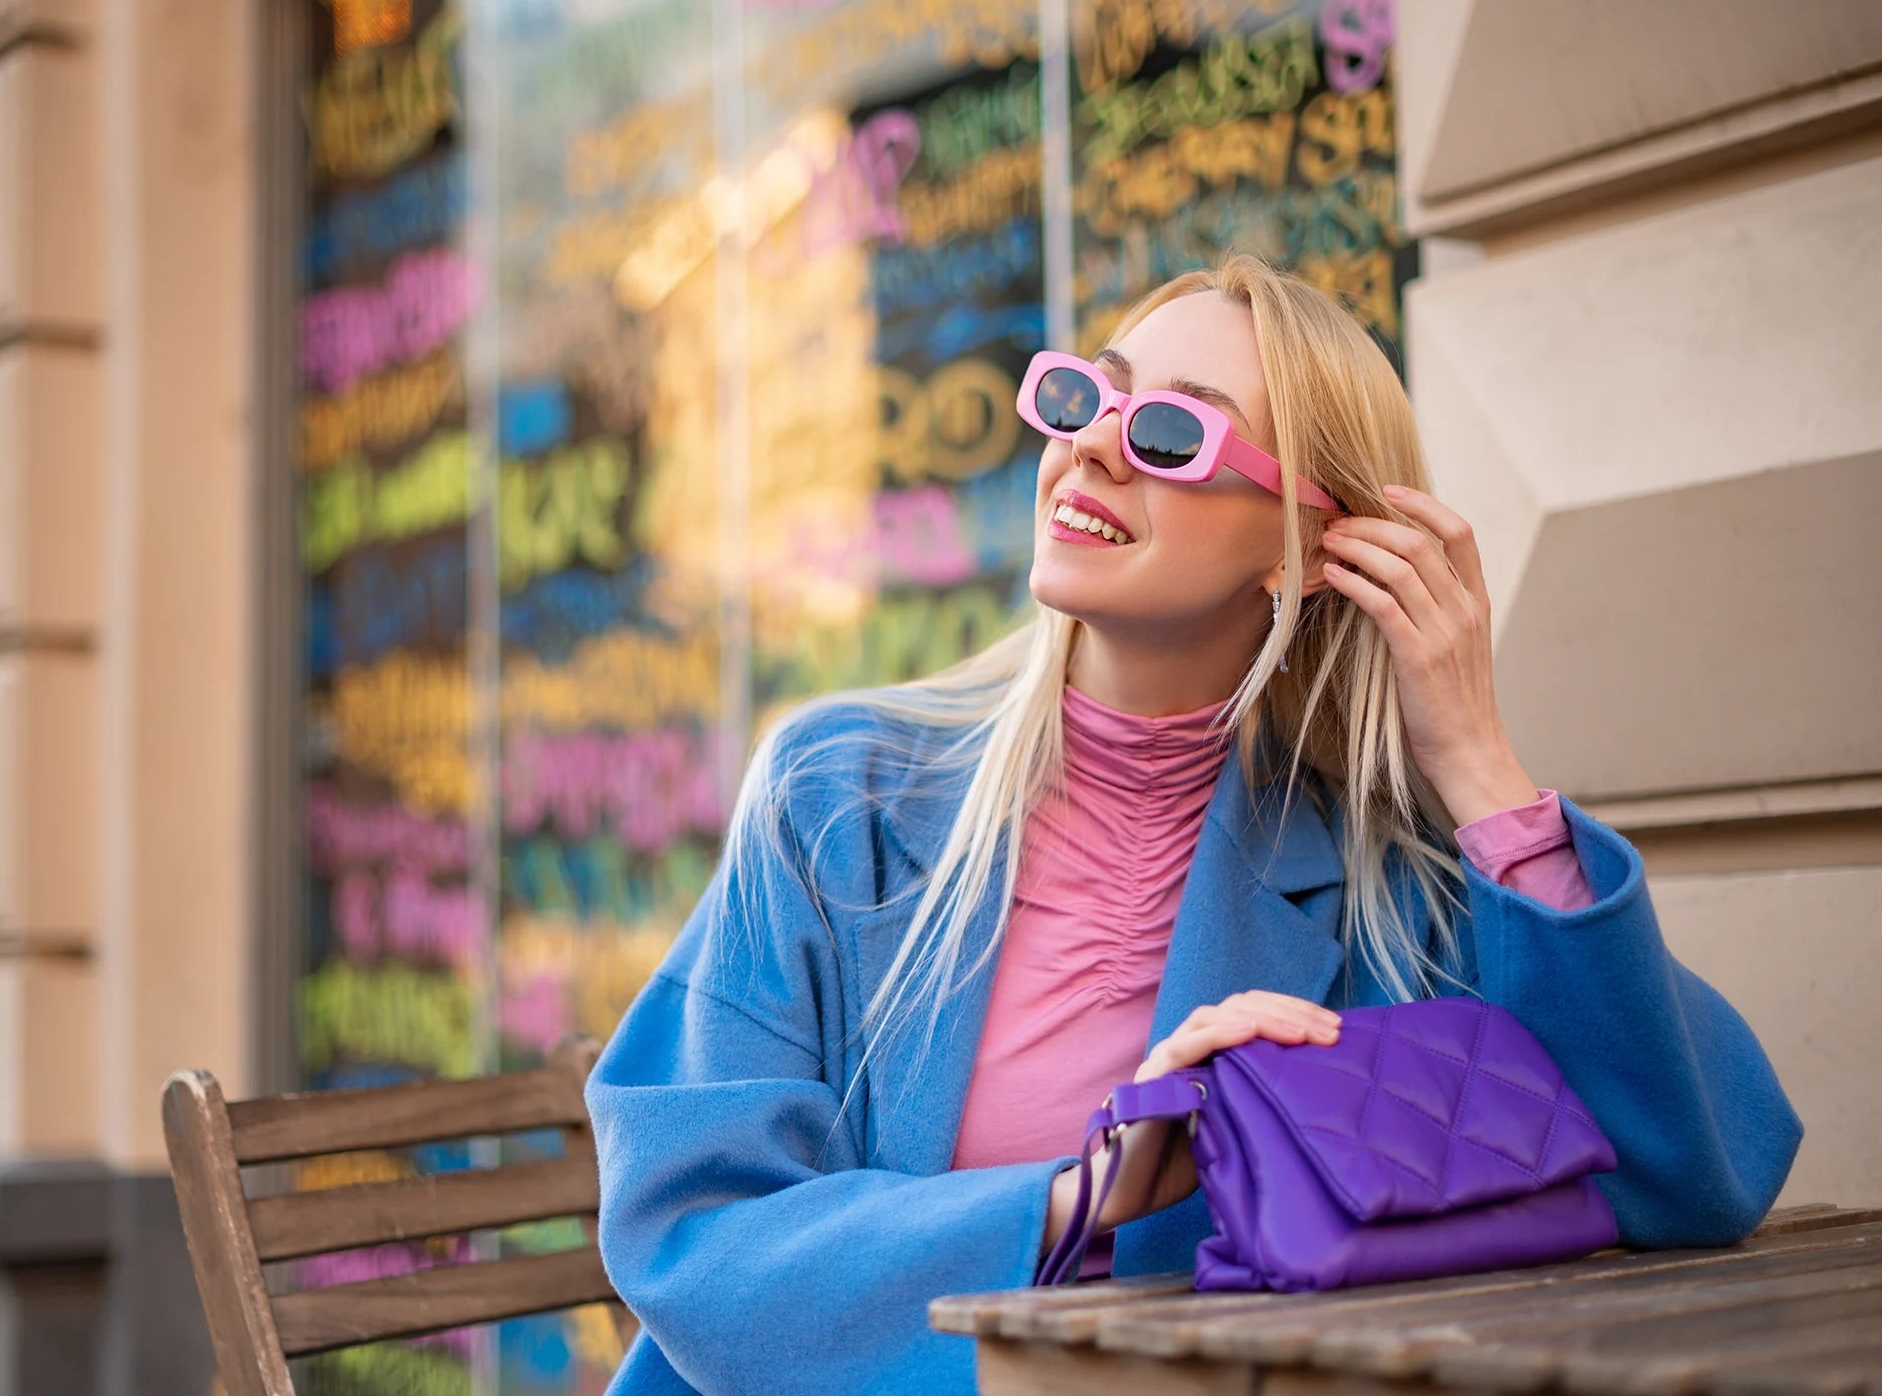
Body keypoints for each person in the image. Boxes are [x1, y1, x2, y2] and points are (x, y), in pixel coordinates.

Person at [583, 256, 1802, 1394]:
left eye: (1168, 431)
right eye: (1082, 400)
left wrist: (1476, 764)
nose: (1093, 452)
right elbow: (695, 1222)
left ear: (1307, 548)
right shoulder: (835, 792)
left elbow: (1686, 1169)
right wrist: (1087, 1196)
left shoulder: (1378, 870)